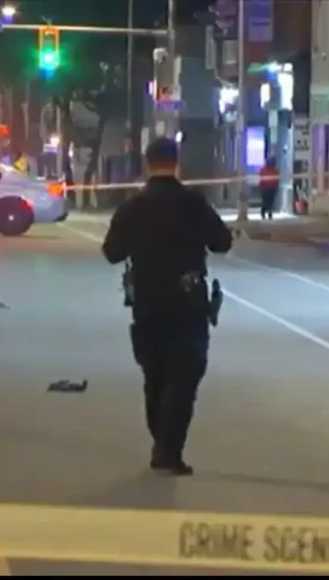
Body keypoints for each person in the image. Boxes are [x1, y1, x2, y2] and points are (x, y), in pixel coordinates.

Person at [101, 137, 233, 476]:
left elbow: (112, 252)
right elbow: (222, 243)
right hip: (188, 302)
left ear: (147, 163)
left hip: (148, 302)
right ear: (177, 163)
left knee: (155, 375)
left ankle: (161, 439)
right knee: (185, 376)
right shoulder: (194, 204)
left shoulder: (133, 206)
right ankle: (169, 449)